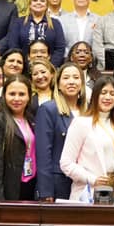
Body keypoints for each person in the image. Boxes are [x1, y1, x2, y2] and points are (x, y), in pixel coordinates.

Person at [60, 77, 114, 202]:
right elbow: (66, 163)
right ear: (95, 95)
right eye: (103, 93)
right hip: (89, 191)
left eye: (112, 94)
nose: (108, 98)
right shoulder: (81, 123)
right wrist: (92, 179)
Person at [34, 64, 86, 200]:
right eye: (66, 78)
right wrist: (46, 191)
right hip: (59, 182)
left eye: (76, 77)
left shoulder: (89, 111)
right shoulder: (48, 109)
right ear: (58, 84)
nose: (71, 82)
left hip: (84, 182)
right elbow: (43, 154)